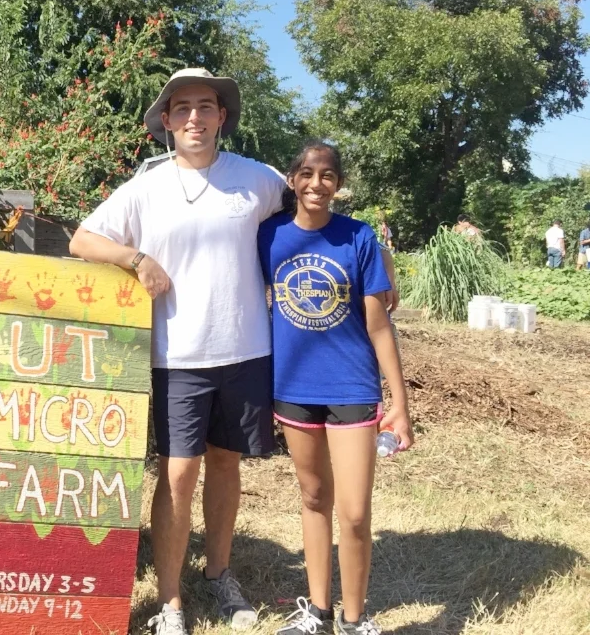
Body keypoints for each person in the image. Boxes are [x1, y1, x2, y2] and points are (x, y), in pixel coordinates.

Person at [69, 68, 286, 634]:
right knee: (177, 475)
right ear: (166, 121)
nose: (195, 117)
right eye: (183, 107)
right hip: (176, 355)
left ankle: (219, 575)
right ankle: (170, 602)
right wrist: (135, 260)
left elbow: (308, 214)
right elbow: (81, 239)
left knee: (226, 466)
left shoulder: (258, 180)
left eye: (206, 106)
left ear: (222, 117)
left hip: (245, 350)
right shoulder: (146, 187)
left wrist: (367, 255)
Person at [258, 142, 414, 635]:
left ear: (338, 183)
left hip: (351, 387)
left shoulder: (359, 238)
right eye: (305, 173)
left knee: (354, 512)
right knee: (312, 498)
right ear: (291, 179)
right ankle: (318, 613)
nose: (315, 184)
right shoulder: (268, 236)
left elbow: (379, 326)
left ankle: (354, 619)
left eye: (327, 175)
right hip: (292, 387)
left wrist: (401, 402)